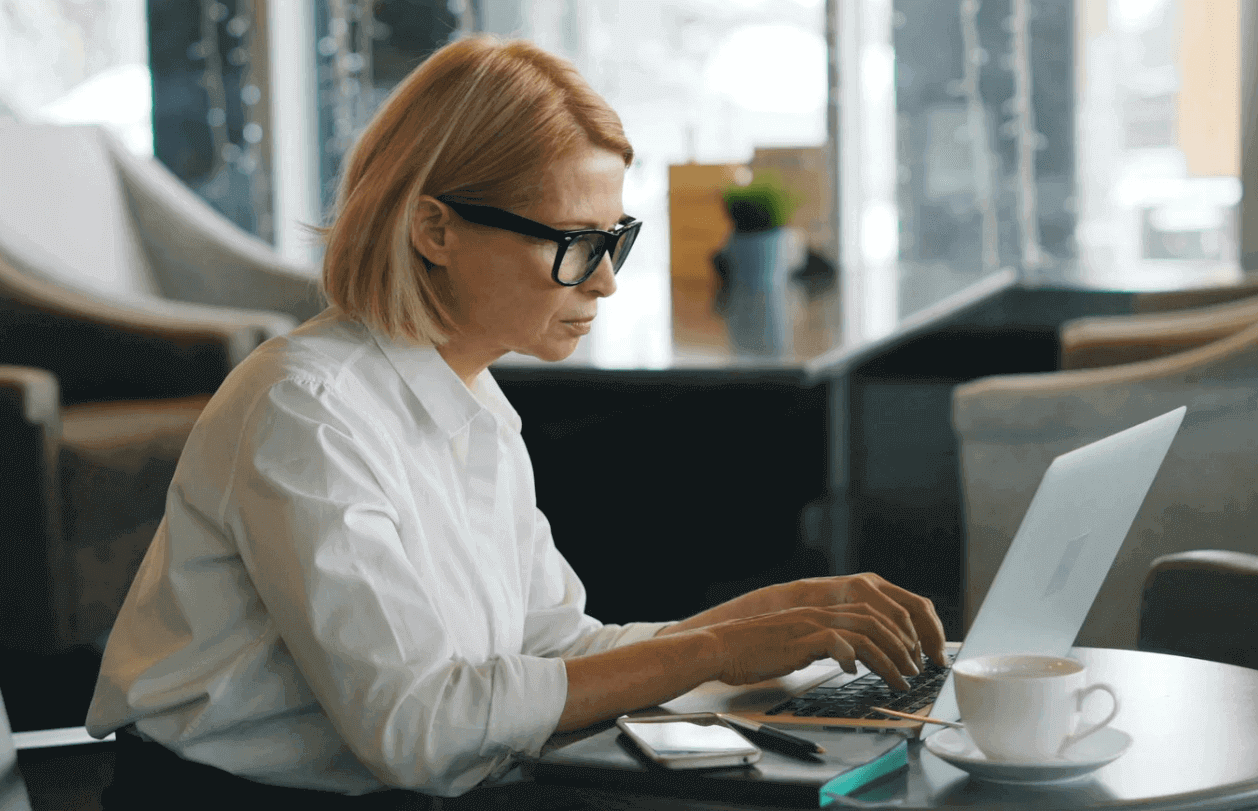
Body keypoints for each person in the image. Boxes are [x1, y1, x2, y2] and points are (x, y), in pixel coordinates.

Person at [85, 34, 947, 809]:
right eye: (574, 242)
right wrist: (712, 651)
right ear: (434, 229)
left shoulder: (475, 401)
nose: (604, 281)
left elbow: (553, 647)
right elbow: (417, 727)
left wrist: (756, 626)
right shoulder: (304, 409)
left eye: (614, 240)